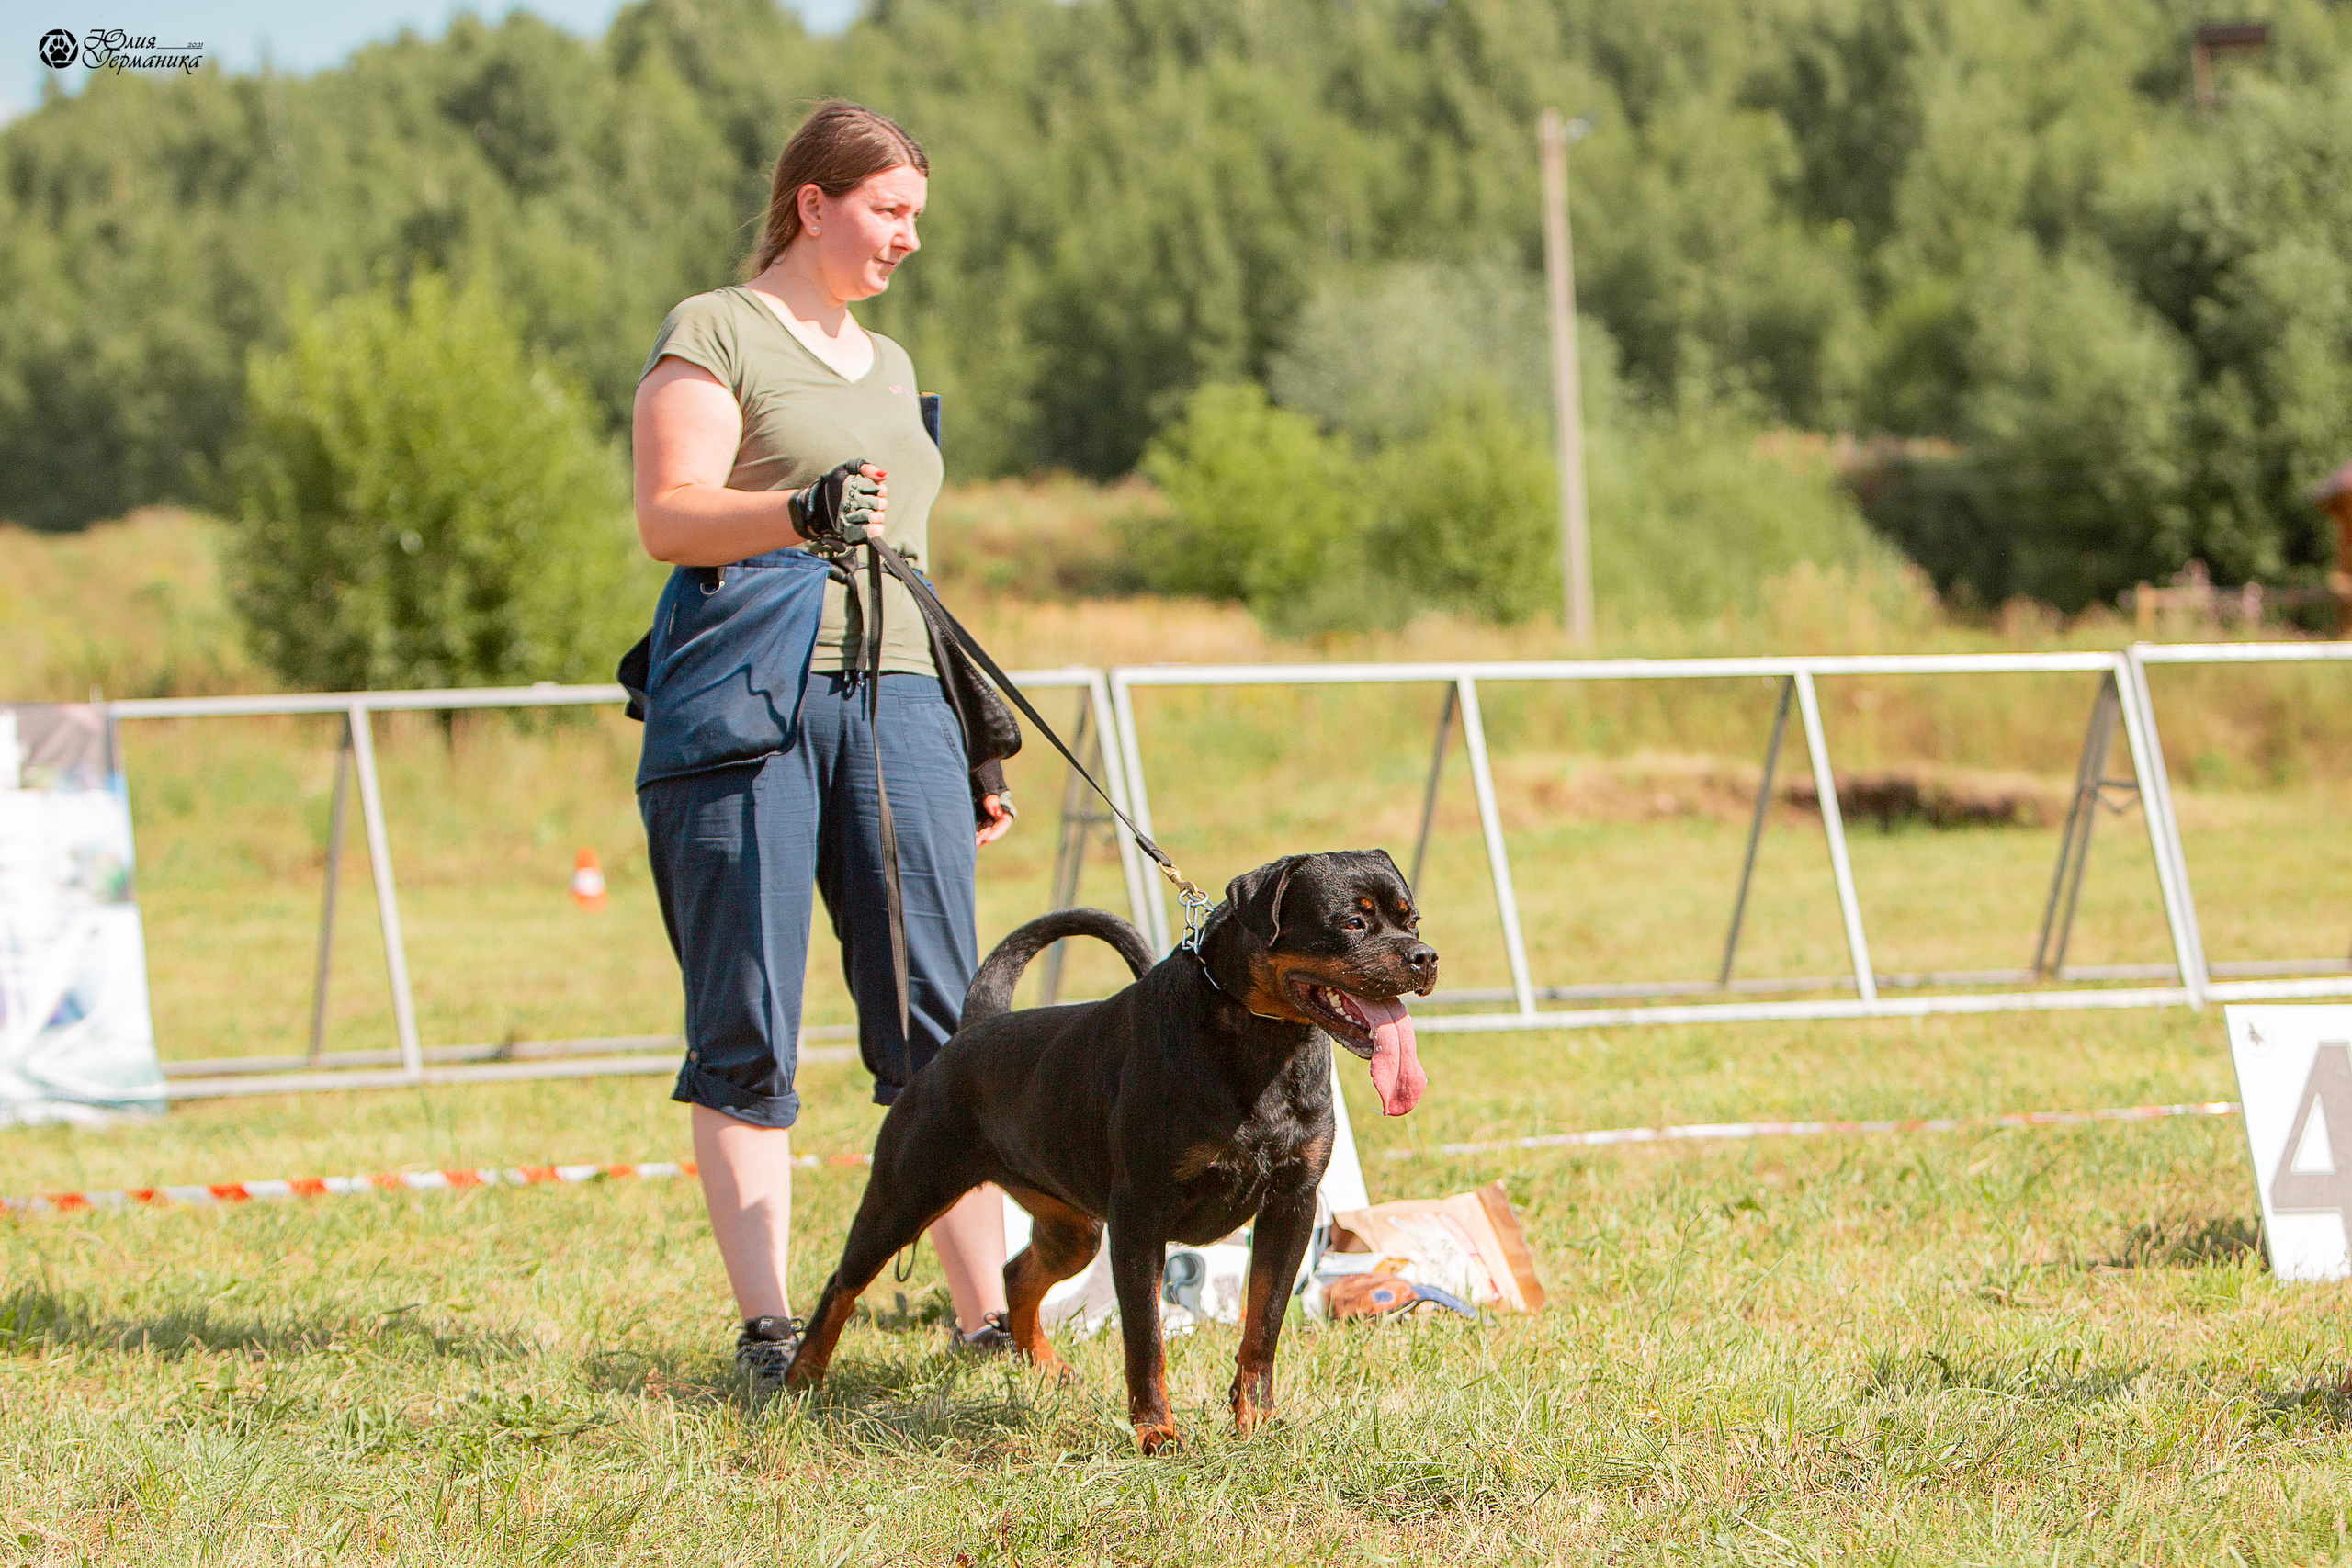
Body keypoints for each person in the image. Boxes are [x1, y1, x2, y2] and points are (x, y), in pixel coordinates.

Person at [628, 100, 1016, 1385]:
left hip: (903, 697)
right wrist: (797, 511)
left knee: (944, 1024)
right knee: (746, 1015)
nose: (908, 237)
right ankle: (769, 1328)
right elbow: (671, 517)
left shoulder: (891, 364)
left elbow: (915, 559)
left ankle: (987, 1320)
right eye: (888, 210)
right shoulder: (716, 330)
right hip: (751, 700)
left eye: (916, 216)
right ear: (814, 203)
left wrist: (973, 739)